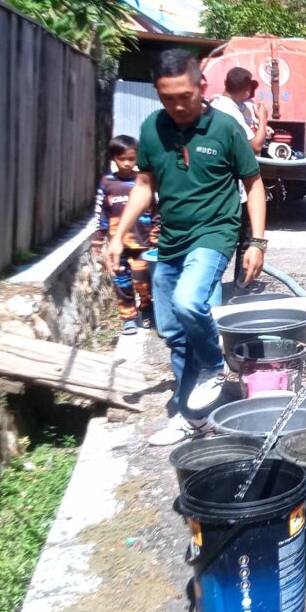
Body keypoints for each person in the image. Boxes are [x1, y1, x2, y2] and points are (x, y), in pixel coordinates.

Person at [105, 49, 268, 446]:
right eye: (167, 98)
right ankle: (190, 416)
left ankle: (216, 367)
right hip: (171, 238)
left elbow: (254, 184)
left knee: (189, 301)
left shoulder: (226, 129)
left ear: (202, 87)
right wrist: (117, 235)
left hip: (214, 233)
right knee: (174, 332)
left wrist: (257, 242)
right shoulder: (152, 129)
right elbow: (145, 186)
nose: (177, 106)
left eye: (185, 96)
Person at [209, 66, 271, 286]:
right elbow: (254, 145)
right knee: (242, 238)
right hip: (235, 185)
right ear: (246, 89)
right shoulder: (230, 113)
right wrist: (263, 121)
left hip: (221, 183)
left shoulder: (220, 104)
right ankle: (242, 284)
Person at [92, 135, 159, 335]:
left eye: (132, 158)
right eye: (123, 159)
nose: (128, 163)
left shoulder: (144, 181)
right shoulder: (108, 183)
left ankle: (147, 309)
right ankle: (128, 318)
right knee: (122, 283)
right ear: (114, 158)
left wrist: (156, 237)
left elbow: (156, 211)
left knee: (142, 282)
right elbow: (101, 212)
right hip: (117, 245)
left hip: (143, 245)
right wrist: (98, 237)